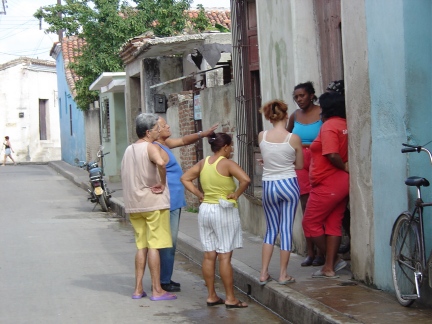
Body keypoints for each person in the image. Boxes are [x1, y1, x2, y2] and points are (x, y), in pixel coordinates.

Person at [180, 132, 251, 308]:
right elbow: (246, 180)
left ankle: (211, 295)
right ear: (225, 147)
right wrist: (236, 194)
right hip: (223, 210)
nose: (232, 149)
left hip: (206, 211)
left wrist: (199, 194)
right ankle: (230, 298)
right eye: (231, 146)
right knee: (225, 256)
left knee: (209, 255)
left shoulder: (203, 163)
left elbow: (185, 178)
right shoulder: (227, 163)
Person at [155, 117, 218, 292]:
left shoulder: (164, 144)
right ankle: (163, 280)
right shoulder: (156, 149)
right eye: (163, 125)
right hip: (168, 200)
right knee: (168, 242)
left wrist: (202, 134)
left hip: (173, 199)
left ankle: (164, 278)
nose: (168, 126)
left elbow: (183, 141)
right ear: (155, 130)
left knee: (169, 242)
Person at [121, 113, 176, 301]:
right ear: (147, 132)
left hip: (134, 204)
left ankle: (138, 289)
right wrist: (162, 181)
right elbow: (161, 162)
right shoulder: (150, 147)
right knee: (154, 246)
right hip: (153, 202)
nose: (158, 131)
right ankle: (156, 289)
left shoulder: (129, 149)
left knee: (141, 246)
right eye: (155, 129)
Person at [302, 91, 349, 279]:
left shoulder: (329, 126)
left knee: (310, 223)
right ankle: (328, 267)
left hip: (328, 183)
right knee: (333, 224)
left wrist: (343, 165)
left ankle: (335, 260)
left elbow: (331, 153)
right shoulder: (344, 124)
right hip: (340, 183)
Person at [257, 100, 304, 285]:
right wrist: (287, 163)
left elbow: (269, 158)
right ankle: (283, 274)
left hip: (269, 184)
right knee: (285, 229)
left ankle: (263, 273)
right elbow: (299, 165)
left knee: (270, 230)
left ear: (269, 117)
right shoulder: (293, 138)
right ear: (286, 116)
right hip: (288, 184)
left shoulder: (262, 136)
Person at [286, 82, 324, 267]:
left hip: (320, 161)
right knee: (306, 206)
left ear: (311, 95)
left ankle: (324, 250)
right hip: (300, 164)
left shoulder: (322, 113)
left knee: (320, 205)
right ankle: (311, 252)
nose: (299, 100)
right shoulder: (294, 116)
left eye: (302, 95)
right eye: (296, 97)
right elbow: (286, 139)